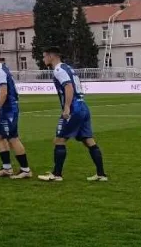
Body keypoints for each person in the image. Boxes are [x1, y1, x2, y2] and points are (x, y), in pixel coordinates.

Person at [39, 47, 108, 182]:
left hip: (73, 108)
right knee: (88, 140)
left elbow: (69, 87)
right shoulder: (68, 68)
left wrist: (66, 107)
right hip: (82, 106)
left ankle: (56, 174)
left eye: (44, 56)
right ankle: (101, 174)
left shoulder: (59, 70)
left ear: (51, 56)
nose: (43, 59)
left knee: (59, 140)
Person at [0, 47, 31, 178]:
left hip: (8, 109)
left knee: (12, 138)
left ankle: (25, 170)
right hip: (4, 109)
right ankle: (7, 168)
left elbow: (3, 92)